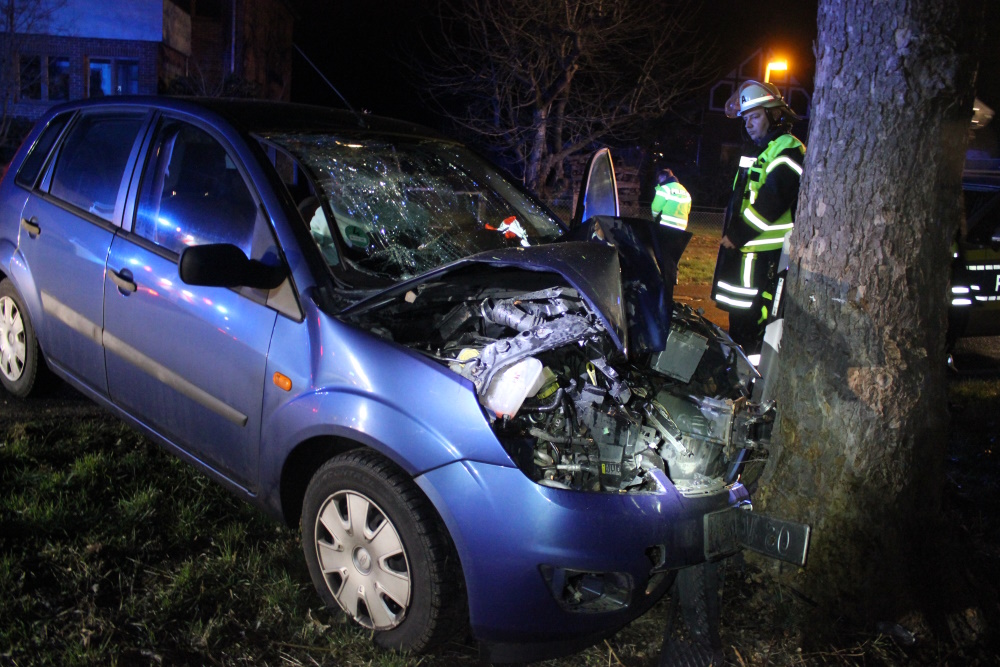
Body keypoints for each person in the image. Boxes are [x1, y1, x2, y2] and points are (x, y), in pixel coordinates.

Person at [711, 80, 805, 354]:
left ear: (774, 114)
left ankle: (751, 381)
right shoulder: (759, 150)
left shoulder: (788, 149)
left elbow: (772, 201)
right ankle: (739, 371)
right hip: (746, 254)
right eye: (746, 119)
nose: (749, 124)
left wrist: (737, 234)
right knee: (739, 322)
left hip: (762, 255)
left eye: (754, 117)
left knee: (754, 325)